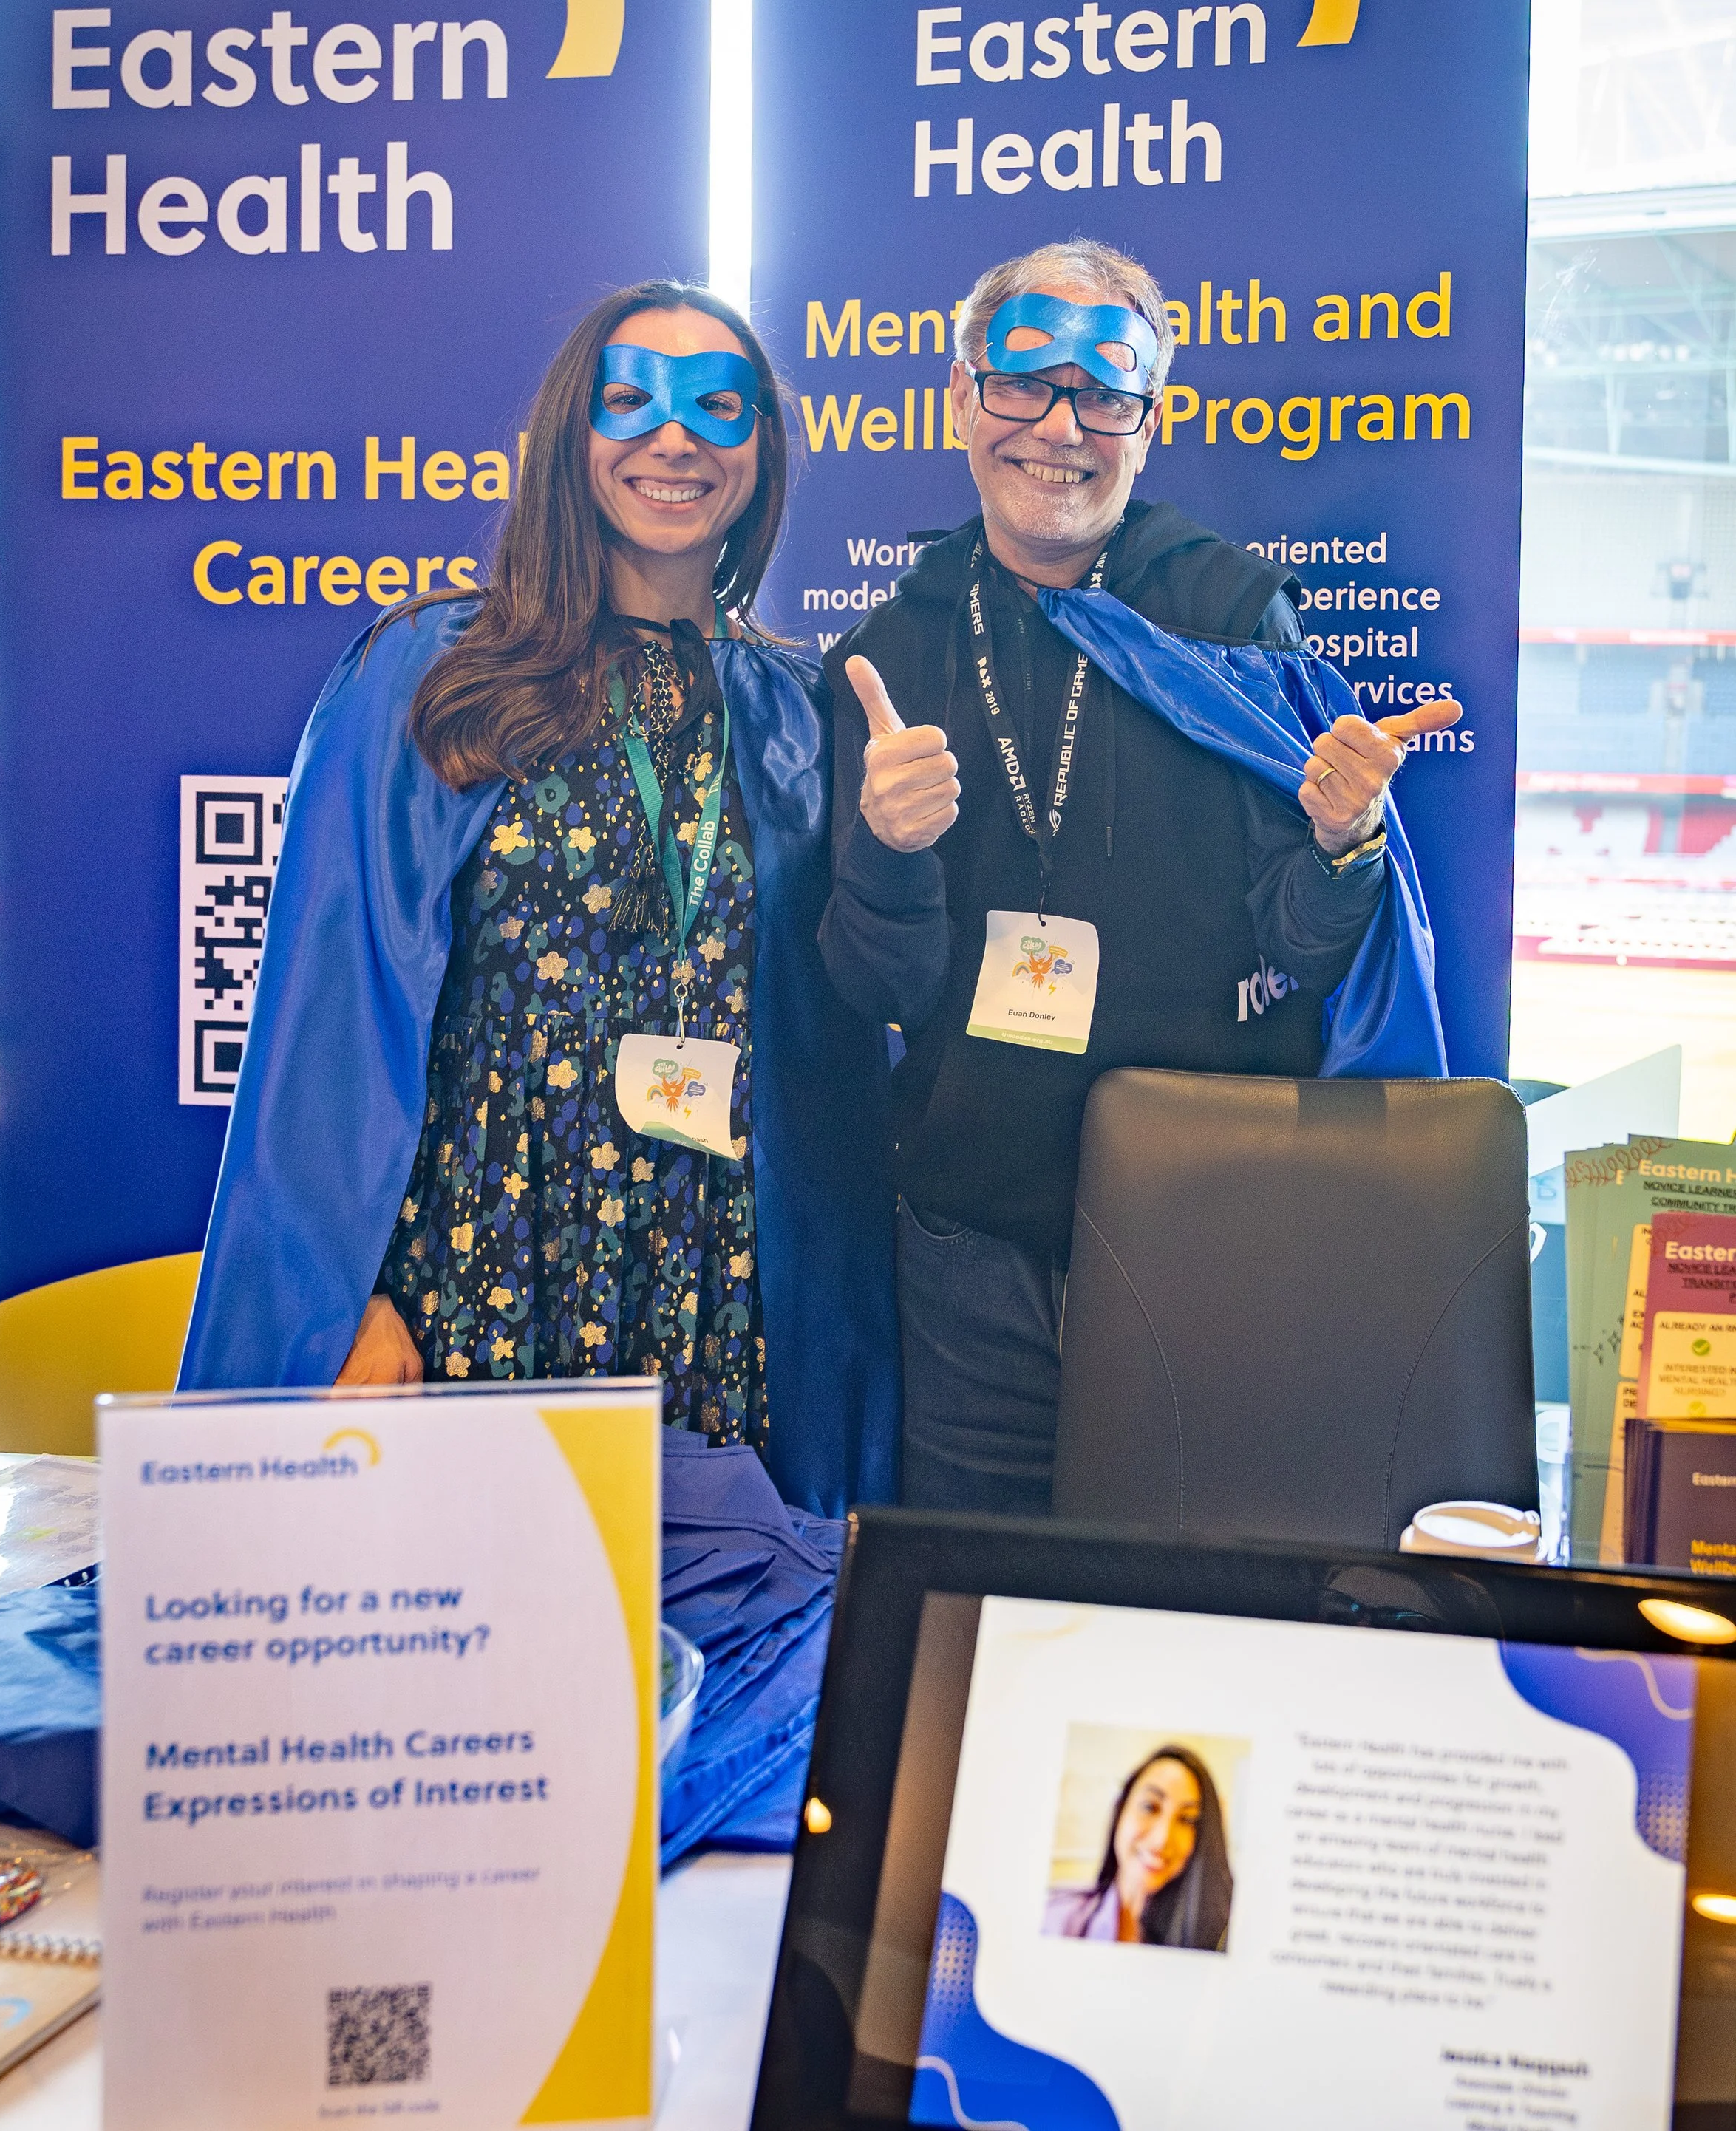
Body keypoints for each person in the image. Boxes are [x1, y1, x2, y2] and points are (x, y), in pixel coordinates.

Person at [178, 281, 899, 1516]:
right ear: (571, 437)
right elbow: (328, 1020)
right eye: (633, 403)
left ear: (760, 459)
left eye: (719, 410)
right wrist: (345, 1293)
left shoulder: (798, 704)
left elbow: (836, 1049)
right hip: (482, 1273)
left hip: (714, 1287)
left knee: (699, 1669)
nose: (675, 439)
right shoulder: (432, 672)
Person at [820, 238, 1444, 1514]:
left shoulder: (1225, 615)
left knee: (1190, 1627)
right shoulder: (894, 650)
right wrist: (887, 854)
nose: (1060, 425)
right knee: (977, 1634)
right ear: (962, 396)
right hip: (971, 1259)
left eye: (1103, 393)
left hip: (1205, 1237)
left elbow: (1310, 951)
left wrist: (1343, 846)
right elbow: (884, 988)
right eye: (1024, 381)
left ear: (1146, 425)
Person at [1042, 1745, 1233, 1949]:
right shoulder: (1052, 1917)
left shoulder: (1217, 1937)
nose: (1162, 1839)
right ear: (1121, 1811)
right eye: (1150, 1807)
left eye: (1187, 1819)